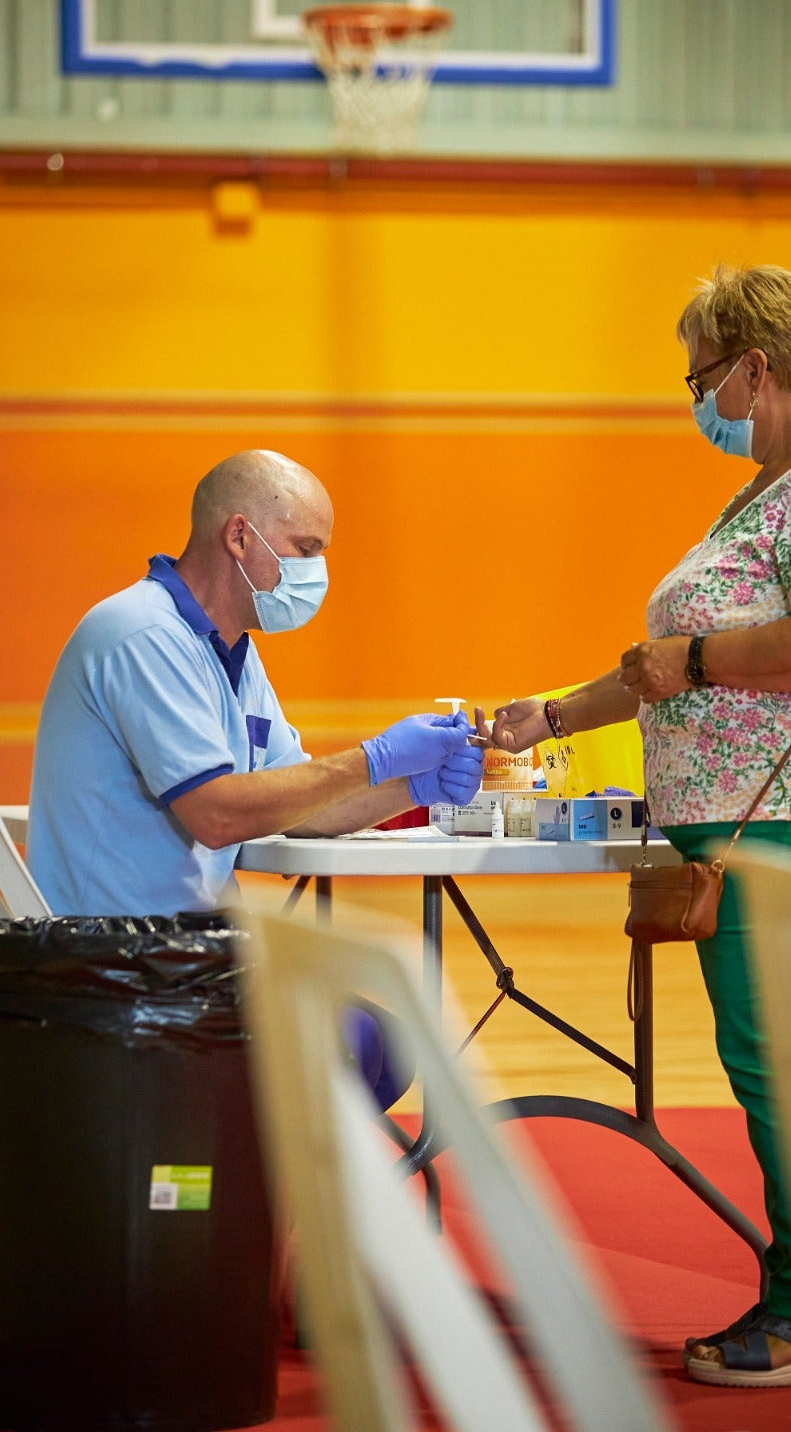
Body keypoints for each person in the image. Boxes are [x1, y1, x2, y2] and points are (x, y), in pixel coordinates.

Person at [490, 264, 791, 1388]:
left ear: (755, 368)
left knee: (776, 1063)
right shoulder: (767, 491)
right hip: (751, 816)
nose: (695, 400)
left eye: (698, 376)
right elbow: (665, 671)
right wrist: (553, 713)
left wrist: (700, 658)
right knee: (776, 1058)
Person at [27, 448, 484, 1106]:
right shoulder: (143, 635)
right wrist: (374, 759)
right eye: (306, 547)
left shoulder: (231, 650)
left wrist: (414, 787)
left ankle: (243, 1202)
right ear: (239, 535)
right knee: (365, 1044)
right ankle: (229, 1200)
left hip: (179, 949)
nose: (317, 571)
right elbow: (219, 817)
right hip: (116, 961)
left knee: (381, 1043)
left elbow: (295, 801)